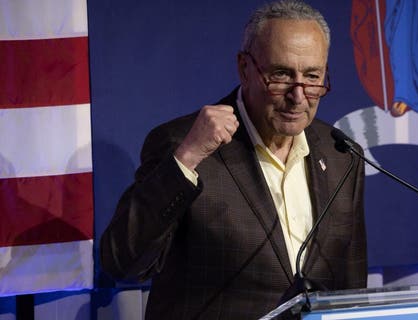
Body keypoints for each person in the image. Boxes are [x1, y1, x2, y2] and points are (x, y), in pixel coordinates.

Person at [99, 1, 368, 318]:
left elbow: (350, 288)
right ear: (244, 68)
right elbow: (124, 263)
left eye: (312, 77)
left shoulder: (341, 155)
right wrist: (186, 159)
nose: (298, 96)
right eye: (281, 75)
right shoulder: (184, 144)